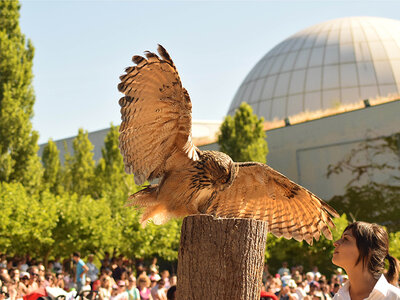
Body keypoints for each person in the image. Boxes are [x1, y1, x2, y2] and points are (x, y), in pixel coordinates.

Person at [332, 221, 400, 300]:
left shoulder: (394, 297)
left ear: (369, 251)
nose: (335, 243)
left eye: (346, 239)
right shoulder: (338, 298)